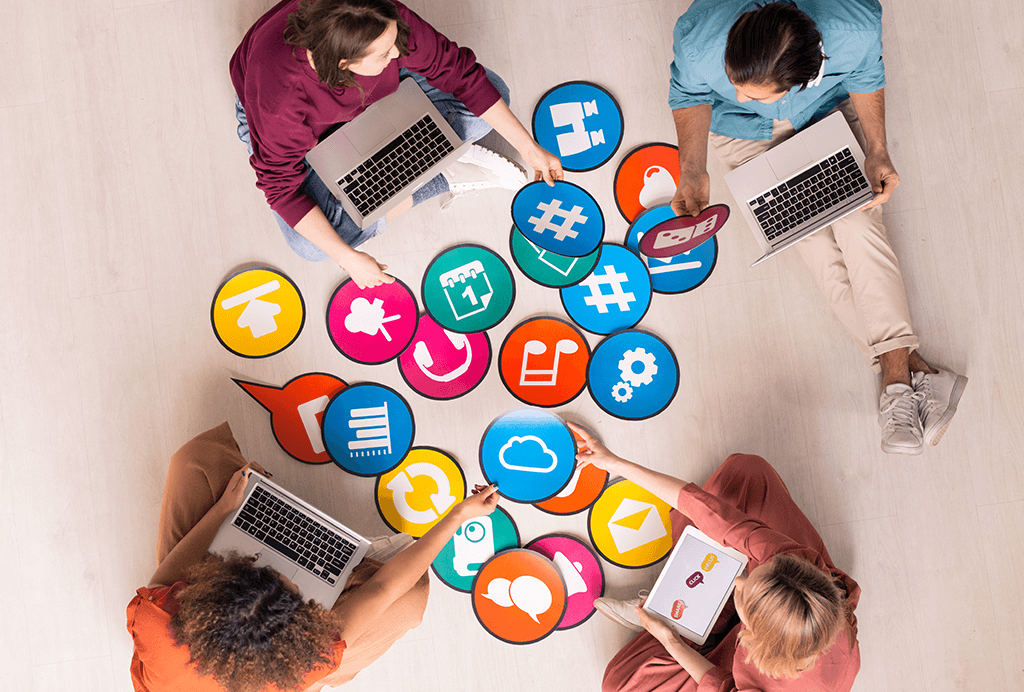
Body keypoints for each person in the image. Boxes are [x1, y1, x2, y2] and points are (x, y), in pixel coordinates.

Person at [666, 0, 966, 455]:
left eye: (753, 92)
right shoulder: (697, 36)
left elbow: (866, 75)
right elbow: (690, 94)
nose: (739, 95)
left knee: (858, 224)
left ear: (806, 73)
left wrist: (878, 149)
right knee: (811, 245)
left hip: (822, 113)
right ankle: (907, 373)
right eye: (734, 82)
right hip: (740, 135)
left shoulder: (854, 24)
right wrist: (692, 168)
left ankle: (898, 380)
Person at [127, 422, 499, 691]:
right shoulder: (302, 664)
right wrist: (458, 516)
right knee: (410, 593)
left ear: (208, 590)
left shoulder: (157, 617)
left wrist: (227, 506)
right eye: (295, 593)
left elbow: (170, 571)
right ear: (295, 637)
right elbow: (384, 589)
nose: (288, 572)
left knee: (198, 460)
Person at [230, 0, 563, 289]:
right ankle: (444, 176)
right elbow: (281, 189)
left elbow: (460, 74)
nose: (399, 51)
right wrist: (349, 259)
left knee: (494, 93)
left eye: (394, 41)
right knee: (312, 247)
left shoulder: (379, 18)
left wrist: (528, 146)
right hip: (296, 128)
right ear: (346, 64)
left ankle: (416, 164)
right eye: (385, 53)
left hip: (364, 95)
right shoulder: (280, 103)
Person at [567, 424, 860, 692]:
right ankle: (690, 608)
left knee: (620, 685)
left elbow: (721, 686)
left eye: (743, 593)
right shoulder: (790, 562)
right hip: (780, 623)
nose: (741, 578)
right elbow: (713, 514)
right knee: (745, 473)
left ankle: (689, 620)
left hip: (748, 669)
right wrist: (613, 461)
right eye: (758, 570)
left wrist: (669, 639)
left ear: (754, 635)